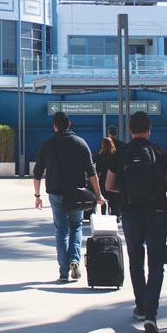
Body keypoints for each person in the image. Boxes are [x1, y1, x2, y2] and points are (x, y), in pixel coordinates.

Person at [105, 111, 167, 333]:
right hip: (157, 213)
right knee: (156, 264)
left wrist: (127, 191)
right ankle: (151, 314)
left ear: (130, 130)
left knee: (135, 261)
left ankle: (140, 306)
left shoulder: (121, 153)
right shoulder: (159, 153)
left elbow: (109, 185)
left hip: (130, 213)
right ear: (149, 130)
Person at [33, 111, 105, 283]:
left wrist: (37, 195)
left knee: (61, 231)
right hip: (76, 194)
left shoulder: (47, 145)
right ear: (70, 124)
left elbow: (37, 173)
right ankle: (74, 260)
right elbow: (92, 172)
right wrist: (98, 194)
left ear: (54, 126)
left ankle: (63, 271)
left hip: (56, 194)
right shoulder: (80, 143)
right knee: (76, 227)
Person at [93, 136, 121, 218]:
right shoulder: (115, 155)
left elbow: (97, 170)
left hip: (103, 180)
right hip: (113, 179)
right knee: (114, 200)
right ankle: (115, 217)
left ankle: (103, 216)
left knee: (104, 200)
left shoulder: (100, 156)